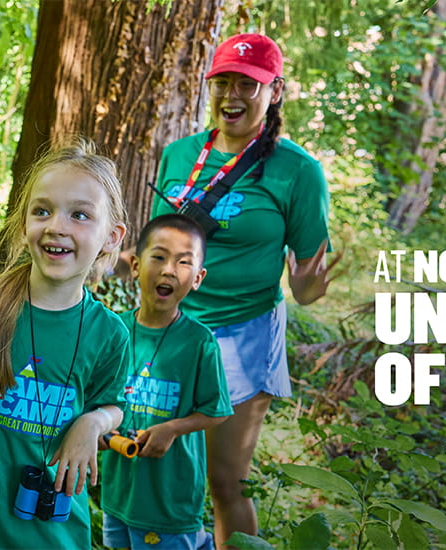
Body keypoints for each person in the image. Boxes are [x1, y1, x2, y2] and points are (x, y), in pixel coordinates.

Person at [146, 33, 340, 548]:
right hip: (170, 330)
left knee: (225, 480)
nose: (233, 94)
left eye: (248, 85)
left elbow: (306, 287)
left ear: (274, 91)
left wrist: (306, 284)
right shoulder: (180, 154)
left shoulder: (298, 171)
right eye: (224, 81)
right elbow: (159, 244)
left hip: (243, 332)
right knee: (162, 468)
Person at [0, 139, 133, 549]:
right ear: (23, 224)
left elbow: (113, 405)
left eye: (79, 215)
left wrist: (93, 422)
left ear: (111, 236)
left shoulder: (109, 333)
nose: (57, 226)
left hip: (53, 532)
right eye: (42, 211)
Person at [99, 214, 233, 550]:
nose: (169, 270)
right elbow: (97, 398)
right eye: (158, 257)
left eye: (183, 262)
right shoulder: (114, 331)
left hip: (170, 502)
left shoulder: (198, 342)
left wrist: (172, 429)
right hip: (119, 494)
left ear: (198, 278)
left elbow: (217, 411)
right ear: (134, 265)